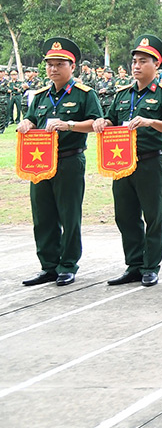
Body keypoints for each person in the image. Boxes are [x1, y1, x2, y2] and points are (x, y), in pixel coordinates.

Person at [92, 35, 162, 287]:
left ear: (156, 65)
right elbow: (110, 118)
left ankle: (151, 266)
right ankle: (134, 265)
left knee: (153, 217)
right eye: (134, 61)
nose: (136, 66)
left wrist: (150, 121)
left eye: (143, 61)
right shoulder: (122, 94)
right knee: (125, 216)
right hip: (121, 162)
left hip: (150, 162)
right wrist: (103, 122)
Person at [16, 38, 102, 287]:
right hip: (40, 162)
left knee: (68, 215)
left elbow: (97, 124)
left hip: (69, 160)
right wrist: (26, 124)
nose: (53, 69)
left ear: (71, 66)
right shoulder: (41, 96)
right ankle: (49, 266)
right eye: (50, 65)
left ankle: (68, 264)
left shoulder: (85, 94)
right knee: (43, 216)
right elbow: (31, 119)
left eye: (59, 64)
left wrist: (69, 125)